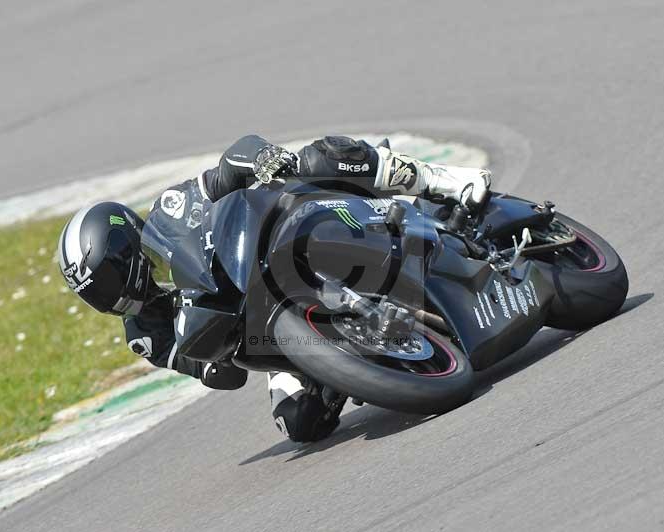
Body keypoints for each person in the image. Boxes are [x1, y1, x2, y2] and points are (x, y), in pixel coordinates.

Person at [57, 135, 491, 442]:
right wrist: (209, 361)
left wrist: (259, 158)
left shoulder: (168, 214)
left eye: (111, 284)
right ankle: (360, 359)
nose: (117, 300)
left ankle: (442, 180)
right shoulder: (144, 334)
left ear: (123, 249)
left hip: (278, 248)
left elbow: (226, 169)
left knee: (319, 158)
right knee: (298, 424)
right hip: (266, 338)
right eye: (100, 297)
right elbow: (220, 374)